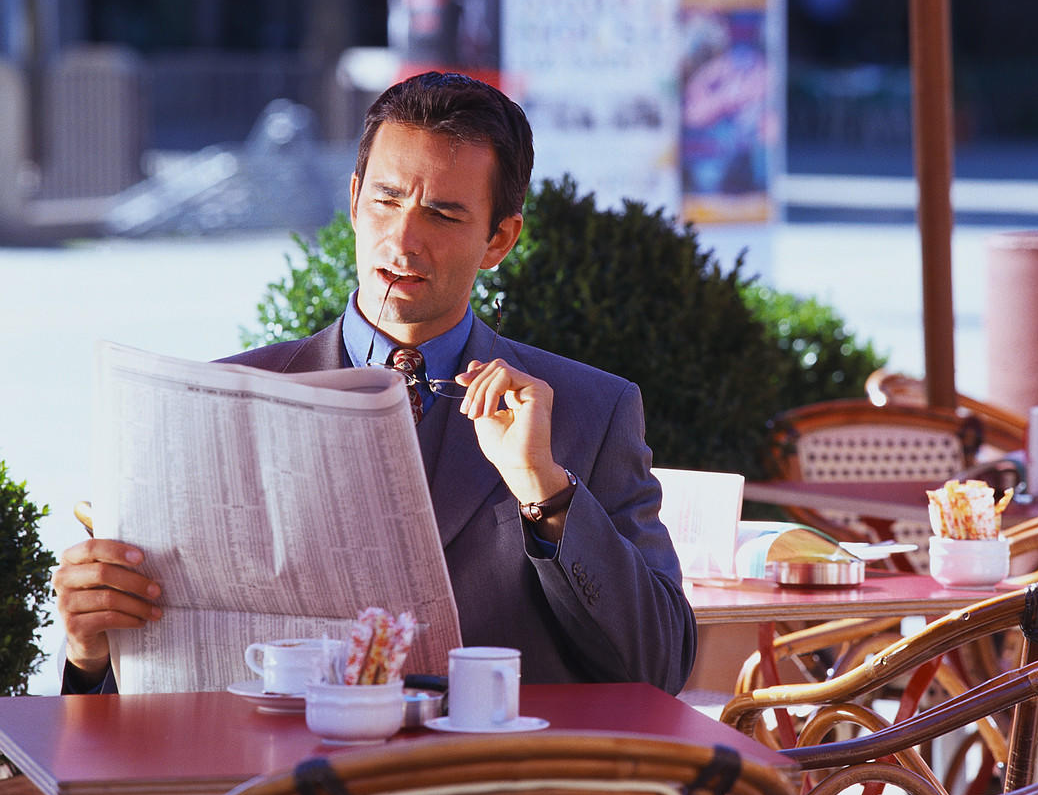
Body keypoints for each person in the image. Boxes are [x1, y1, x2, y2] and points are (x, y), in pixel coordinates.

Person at [53, 71, 697, 696]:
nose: (404, 239)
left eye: (443, 214)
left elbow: (662, 667)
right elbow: (131, 709)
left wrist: (545, 491)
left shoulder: (591, 410)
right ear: (355, 198)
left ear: (499, 238)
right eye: (387, 199)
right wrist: (88, 652)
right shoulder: (222, 398)